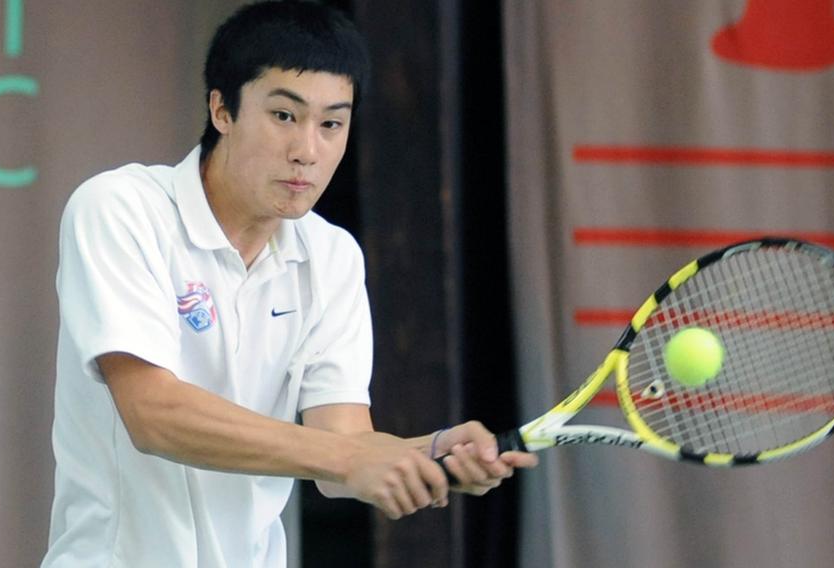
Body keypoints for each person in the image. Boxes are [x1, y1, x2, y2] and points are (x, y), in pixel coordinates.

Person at [41, 1, 537, 567]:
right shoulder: (120, 209)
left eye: (331, 124)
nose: (308, 150)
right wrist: (347, 459)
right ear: (222, 109)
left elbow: (342, 447)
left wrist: (428, 453)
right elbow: (154, 415)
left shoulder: (332, 256)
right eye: (284, 116)